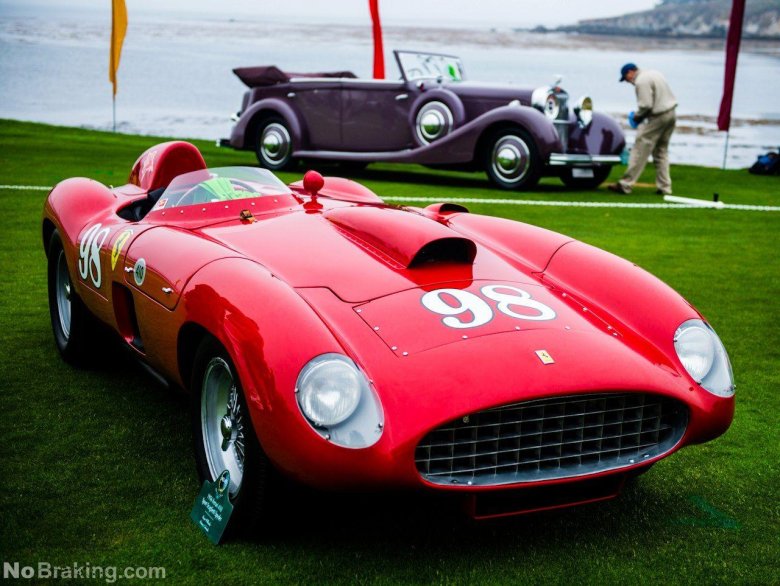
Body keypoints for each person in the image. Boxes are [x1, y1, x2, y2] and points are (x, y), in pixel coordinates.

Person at [608, 63, 677, 196]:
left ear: (630, 72)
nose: (628, 82)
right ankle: (665, 187)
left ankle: (625, 184)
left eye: (626, 78)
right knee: (661, 151)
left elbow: (646, 105)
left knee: (640, 149)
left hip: (658, 116)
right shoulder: (655, 73)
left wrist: (637, 117)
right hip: (671, 114)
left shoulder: (641, 81)